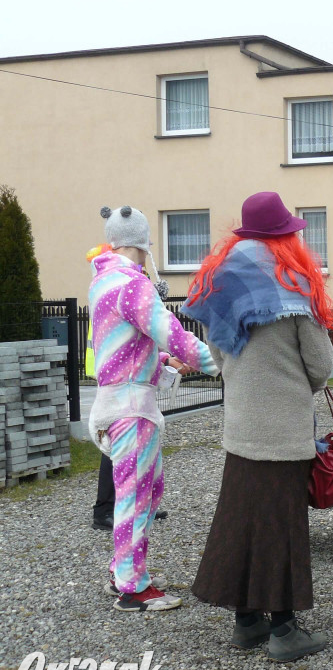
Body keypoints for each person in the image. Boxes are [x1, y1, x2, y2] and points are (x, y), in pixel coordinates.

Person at [184, 191, 333, 662]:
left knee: (241, 520)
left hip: (241, 426)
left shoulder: (220, 282)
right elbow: (321, 366)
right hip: (285, 429)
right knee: (282, 527)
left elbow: (218, 355)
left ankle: (246, 621)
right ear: (285, 235)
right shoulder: (295, 285)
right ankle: (284, 630)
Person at [88, 206, 218, 612]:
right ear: (144, 242)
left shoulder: (103, 280)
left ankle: (125, 569)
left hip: (120, 400)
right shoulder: (133, 285)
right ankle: (132, 587)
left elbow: (121, 347)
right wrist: (222, 361)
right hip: (131, 409)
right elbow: (171, 333)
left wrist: (160, 364)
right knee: (135, 494)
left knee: (147, 488)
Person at [85, 243, 169, 531]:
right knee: (117, 453)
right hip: (117, 379)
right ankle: (105, 510)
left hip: (120, 374)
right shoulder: (115, 281)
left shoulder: (114, 279)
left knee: (126, 453)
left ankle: (136, 504)